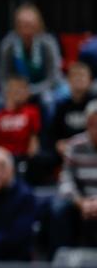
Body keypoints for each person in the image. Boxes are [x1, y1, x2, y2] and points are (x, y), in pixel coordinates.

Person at [0, 3, 65, 117]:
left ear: (38, 25)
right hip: (15, 89)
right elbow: (3, 77)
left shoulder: (48, 43)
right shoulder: (8, 44)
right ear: (16, 26)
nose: (26, 30)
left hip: (43, 88)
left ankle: (46, 129)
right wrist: (13, 92)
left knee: (48, 100)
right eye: (22, 25)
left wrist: (30, 91)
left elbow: (53, 77)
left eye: (30, 25)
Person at [52, 100, 97, 251]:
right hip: (80, 200)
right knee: (58, 209)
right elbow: (65, 179)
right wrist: (80, 202)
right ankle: (61, 259)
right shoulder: (75, 145)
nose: (95, 128)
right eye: (92, 123)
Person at [0, 76, 41, 161]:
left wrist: (30, 159)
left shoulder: (32, 112)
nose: (19, 93)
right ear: (8, 92)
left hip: (22, 157)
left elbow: (34, 141)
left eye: (22, 89)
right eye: (15, 90)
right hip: (3, 157)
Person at [52, 62, 94, 157]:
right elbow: (54, 134)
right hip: (68, 150)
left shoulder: (95, 104)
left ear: (90, 81)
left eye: (82, 76)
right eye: (75, 76)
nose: (78, 79)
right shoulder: (62, 106)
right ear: (68, 80)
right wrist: (58, 144)